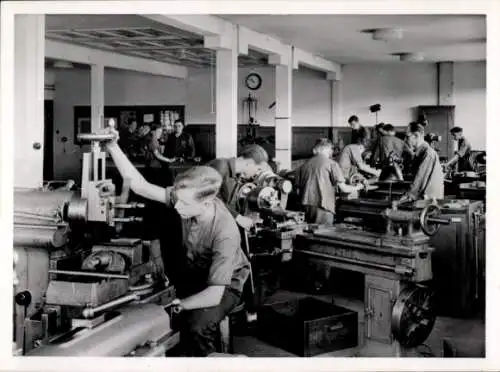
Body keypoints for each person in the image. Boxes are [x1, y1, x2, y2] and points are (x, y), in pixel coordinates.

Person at [104, 124, 250, 357]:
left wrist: (178, 305)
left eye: (184, 204)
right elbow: (140, 186)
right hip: (195, 272)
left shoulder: (225, 232)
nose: (177, 207)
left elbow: (213, 294)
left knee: (197, 325)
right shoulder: (187, 200)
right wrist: (112, 146)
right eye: (177, 200)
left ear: (206, 204)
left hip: (225, 286)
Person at [295, 138, 365, 226]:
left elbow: (298, 189)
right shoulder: (331, 164)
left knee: (310, 233)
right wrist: (358, 187)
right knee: (323, 234)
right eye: (331, 149)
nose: (332, 152)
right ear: (327, 149)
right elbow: (344, 189)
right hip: (323, 207)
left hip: (306, 206)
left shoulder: (304, 165)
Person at [207, 144, 269, 230]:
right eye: (258, 169)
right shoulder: (220, 165)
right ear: (249, 163)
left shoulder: (236, 177)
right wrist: (238, 218)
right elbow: (211, 198)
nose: (256, 174)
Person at [398, 122, 444, 204]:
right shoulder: (420, 153)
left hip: (429, 200)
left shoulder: (428, 153)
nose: (405, 140)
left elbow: (420, 178)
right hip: (425, 198)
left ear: (416, 135)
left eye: (407, 136)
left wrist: (407, 196)